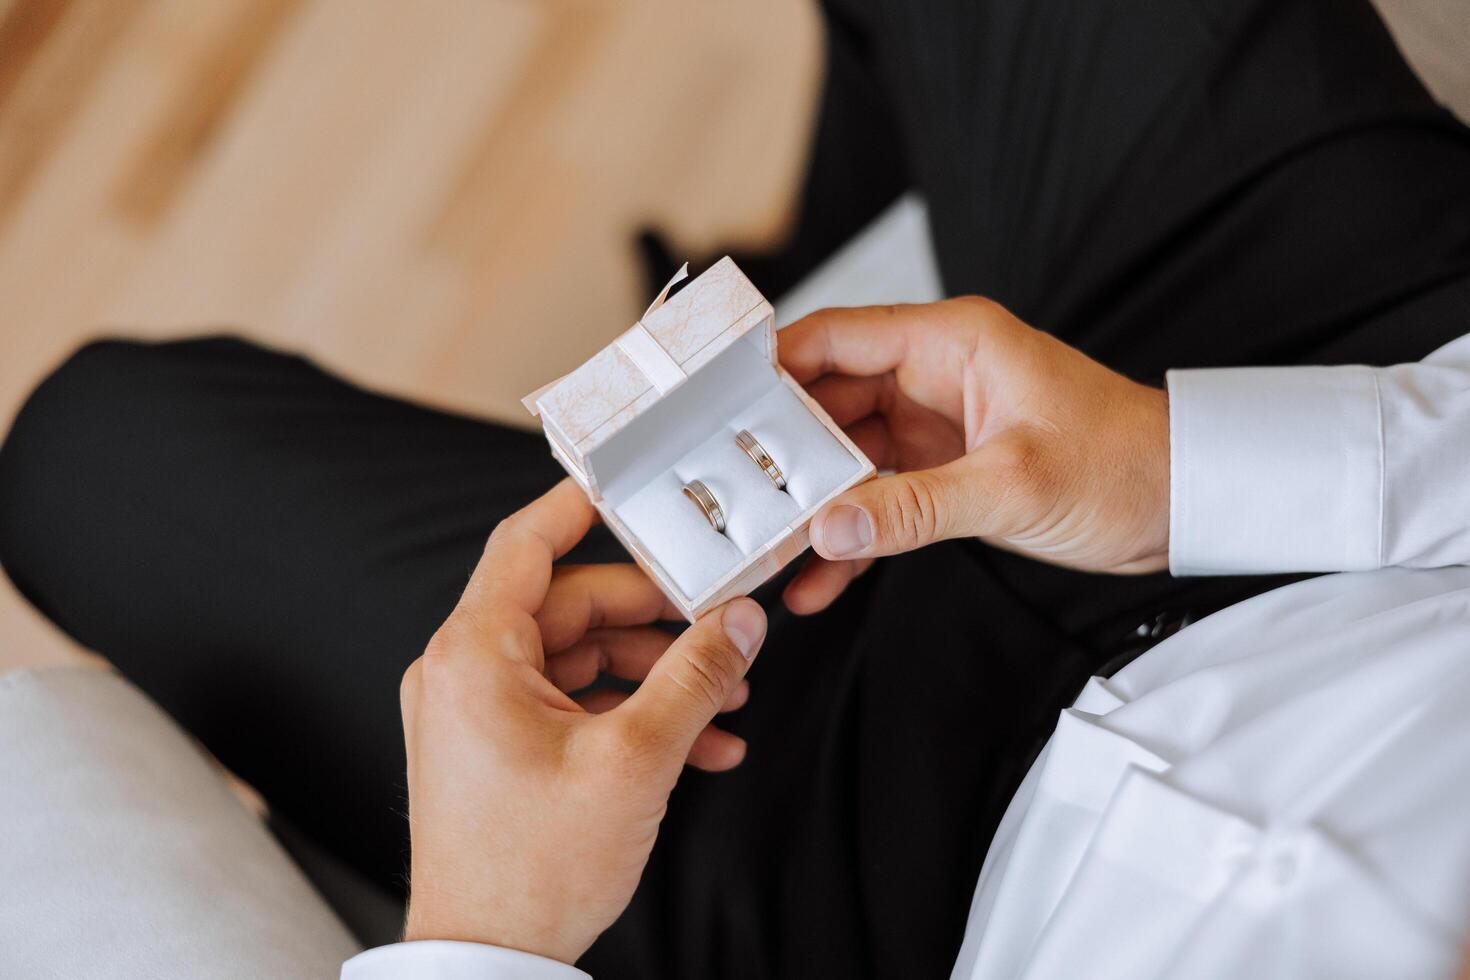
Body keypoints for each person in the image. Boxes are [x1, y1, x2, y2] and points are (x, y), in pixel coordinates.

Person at [0, 0, 1468, 975]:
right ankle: (802, 247)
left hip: (888, 900)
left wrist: (488, 931)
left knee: (91, 453)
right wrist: (1203, 466)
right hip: (1361, 460)